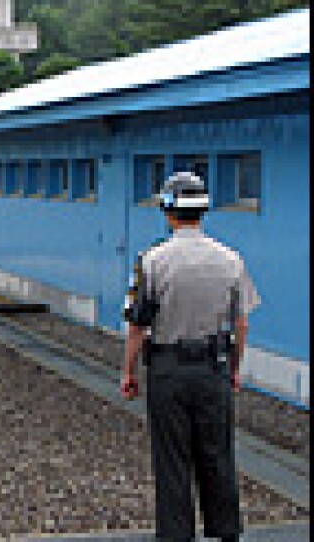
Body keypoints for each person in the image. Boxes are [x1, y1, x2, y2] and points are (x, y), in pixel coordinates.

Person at [120, 171, 260, 541]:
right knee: (217, 455)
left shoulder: (152, 261)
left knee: (172, 460)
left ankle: (177, 535)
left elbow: (138, 325)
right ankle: (226, 532)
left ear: (167, 210)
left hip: (168, 370)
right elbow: (240, 323)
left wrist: (128, 371)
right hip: (212, 368)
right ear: (205, 209)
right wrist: (233, 369)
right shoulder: (231, 260)